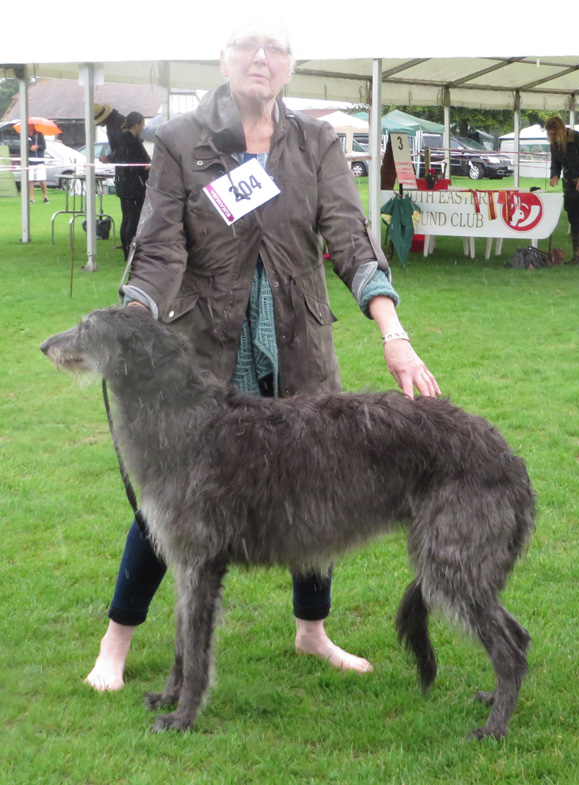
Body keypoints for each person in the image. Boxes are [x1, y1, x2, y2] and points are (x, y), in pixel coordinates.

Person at [85, 19, 440, 693]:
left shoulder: (317, 141)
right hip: (206, 357)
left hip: (297, 342)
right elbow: (160, 247)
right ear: (221, 58)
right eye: (246, 45)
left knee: (312, 483)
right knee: (170, 503)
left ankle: (312, 630)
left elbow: (350, 238)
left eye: (274, 47)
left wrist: (392, 331)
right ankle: (117, 639)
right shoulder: (181, 140)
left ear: (289, 65)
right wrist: (134, 315)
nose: (259, 57)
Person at [546, 115, 579, 266]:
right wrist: (555, 175)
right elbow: (555, 163)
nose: (552, 138)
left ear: (562, 130)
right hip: (569, 187)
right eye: (549, 135)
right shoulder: (554, 144)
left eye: (554, 134)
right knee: (573, 219)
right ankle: (576, 257)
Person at [113, 112, 151, 260]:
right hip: (134, 186)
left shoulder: (121, 139)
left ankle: (127, 250)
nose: (143, 127)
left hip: (124, 185)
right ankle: (130, 252)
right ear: (136, 125)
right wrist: (148, 166)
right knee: (133, 220)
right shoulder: (132, 142)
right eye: (142, 124)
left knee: (127, 218)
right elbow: (137, 165)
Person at [27, 123, 49, 203]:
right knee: (30, 180)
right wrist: (30, 148)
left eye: (30, 126)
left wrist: (38, 147)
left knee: (41, 179)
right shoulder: (25, 135)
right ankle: (32, 198)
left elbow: (44, 146)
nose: (28, 127)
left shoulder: (39, 135)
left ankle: (45, 197)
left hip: (39, 160)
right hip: (29, 161)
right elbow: (22, 147)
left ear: (33, 126)